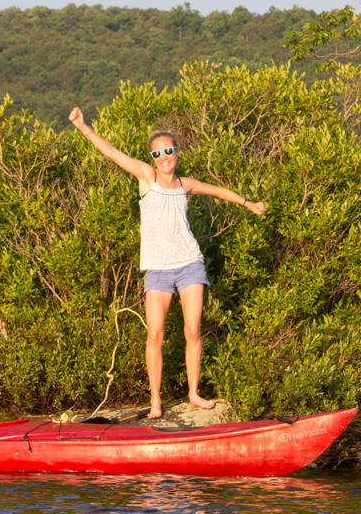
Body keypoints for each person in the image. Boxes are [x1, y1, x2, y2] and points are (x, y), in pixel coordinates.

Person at [67, 107, 267, 419]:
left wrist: (248, 203)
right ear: (152, 157)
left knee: (192, 330)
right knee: (155, 334)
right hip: (157, 269)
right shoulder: (146, 177)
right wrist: (83, 127)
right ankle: (156, 400)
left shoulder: (184, 184)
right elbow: (111, 153)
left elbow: (216, 190)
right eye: (158, 153)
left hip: (189, 264)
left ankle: (194, 394)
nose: (164, 157)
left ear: (176, 152)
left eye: (169, 151)